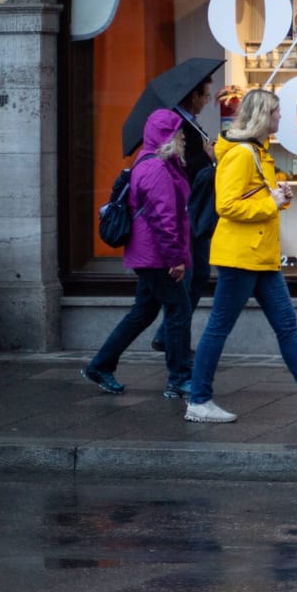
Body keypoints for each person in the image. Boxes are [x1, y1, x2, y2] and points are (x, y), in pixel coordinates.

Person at [182, 89, 297, 423]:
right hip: (241, 256)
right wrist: (270, 202)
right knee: (219, 328)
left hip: (259, 254)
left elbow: (253, 195)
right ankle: (199, 400)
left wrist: (279, 195)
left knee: (287, 326)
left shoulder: (258, 152)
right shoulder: (243, 154)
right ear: (264, 117)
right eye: (276, 113)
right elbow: (227, 205)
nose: (281, 118)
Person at [80, 109, 194, 396]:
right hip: (157, 258)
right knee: (179, 310)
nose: (183, 136)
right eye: (178, 132)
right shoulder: (157, 169)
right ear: (166, 136)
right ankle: (179, 378)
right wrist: (175, 259)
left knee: (143, 312)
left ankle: (100, 365)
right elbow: (164, 219)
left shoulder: (153, 163)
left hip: (149, 255)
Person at [149, 72, 216, 397]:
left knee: (199, 275)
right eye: (204, 95)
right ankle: (177, 369)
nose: (207, 100)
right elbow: (186, 168)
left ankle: (167, 336)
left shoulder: (192, 124)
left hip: (197, 216)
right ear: (192, 95)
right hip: (188, 216)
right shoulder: (177, 127)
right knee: (185, 287)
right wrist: (212, 158)